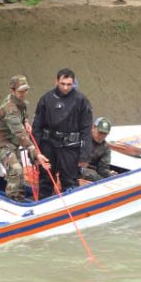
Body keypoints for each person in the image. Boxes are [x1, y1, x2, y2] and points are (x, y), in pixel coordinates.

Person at [32, 68, 92, 197]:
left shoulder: (81, 101)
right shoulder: (46, 99)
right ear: (56, 82)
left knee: (69, 181)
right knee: (45, 179)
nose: (65, 88)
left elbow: (87, 129)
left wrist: (85, 154)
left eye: (69, 84)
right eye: (62, 84)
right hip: (48, 145)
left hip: (70, 148)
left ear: (74, 83)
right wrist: (35, 153)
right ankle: (43, 208)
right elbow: (36, 127)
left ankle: (73, 208)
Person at [0, 74, 48, 202]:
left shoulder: (19, 102)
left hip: (14, 143)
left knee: (20, 175)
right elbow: (20, 134)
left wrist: (26, 121)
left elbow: (23, 115)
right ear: (12, 91)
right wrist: (34, 151)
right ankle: (11, 200)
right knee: (16, 170)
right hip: (3, 144)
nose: (24, 93)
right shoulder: (9, 109)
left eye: (25, 90)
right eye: (20, 91)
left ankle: (20, 198)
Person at [79, 117, 114, 183]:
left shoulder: (105, 148)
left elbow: (103, 168)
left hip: (91, 173)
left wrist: (110, 175)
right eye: (100, 132)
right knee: (92, 174)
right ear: (93, 128)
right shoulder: (81, 138)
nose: (102, 136)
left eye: (105, 134)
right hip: (74, 168)